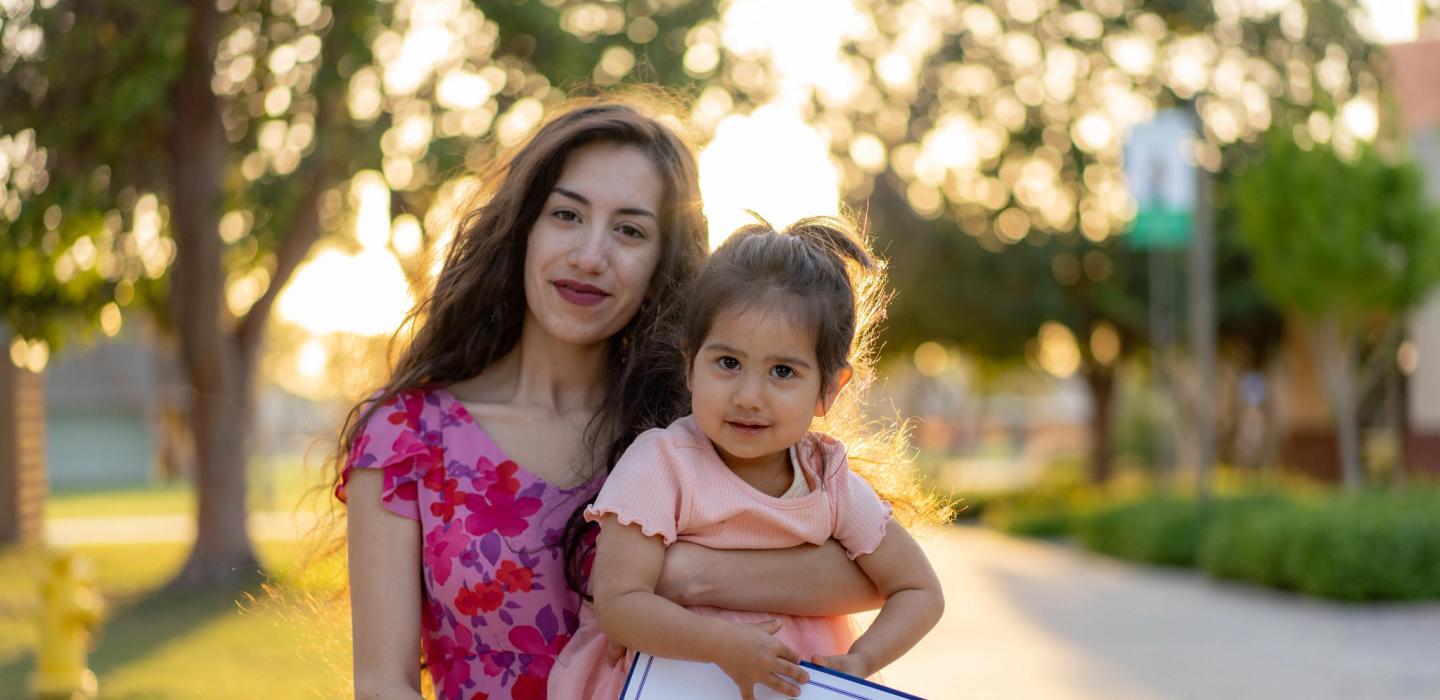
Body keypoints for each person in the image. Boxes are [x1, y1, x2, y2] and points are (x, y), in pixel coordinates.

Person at [333, 101, 887, 700]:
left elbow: (866, 575)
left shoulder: (704, 425)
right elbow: (383, 684)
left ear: (662, 264)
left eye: (630, 230)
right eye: (567, 215)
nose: (590, 256)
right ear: (523, 229)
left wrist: (686, 577)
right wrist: (650, 586)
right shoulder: (407, 436)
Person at [548, 217, 945, 700]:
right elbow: (619, 602)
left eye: (783, 371)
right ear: (691, 363)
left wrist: (861, 659)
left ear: (829, 389)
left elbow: (919, 590)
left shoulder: (827, 478)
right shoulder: (664, 463)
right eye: (729, 363)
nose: (750, 396)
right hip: (670, 682)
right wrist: (723, 645)